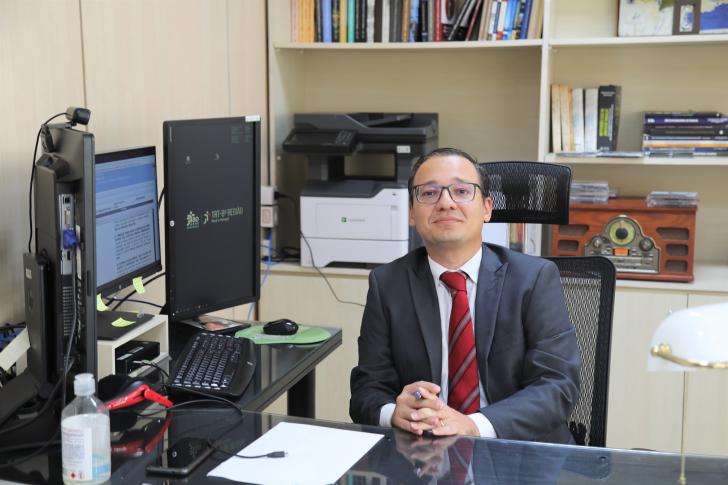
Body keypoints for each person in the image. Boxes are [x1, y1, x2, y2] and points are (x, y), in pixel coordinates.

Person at [349, 147, 580, 444]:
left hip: (519, 450)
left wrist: (473, 425)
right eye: (429, 193)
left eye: (460, 190)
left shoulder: (534, 279)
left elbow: (558, 385)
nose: (445, 203)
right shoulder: (387, 284)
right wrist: (394, 412)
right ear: (411, 213)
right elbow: (367, 390)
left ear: (486, 208)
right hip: (424, 453)